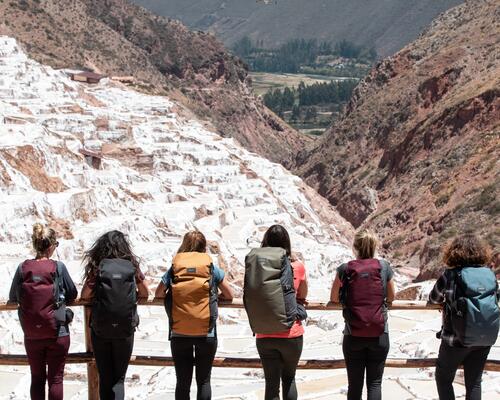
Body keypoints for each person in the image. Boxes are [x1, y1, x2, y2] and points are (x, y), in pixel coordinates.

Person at [154, 230, 233, 400]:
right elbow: (229, 294)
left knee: (182, 382)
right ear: (203, 247)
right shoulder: (211, 268)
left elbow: (159, 292)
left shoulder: (175, 268)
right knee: (204, 381)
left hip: (179, 332)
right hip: (207, 332)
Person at [8, 223, 77, 400]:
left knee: (37, 378)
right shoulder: (58, 267)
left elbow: (13, 296)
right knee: (55, 379)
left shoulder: (23, 268)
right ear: (52, 246)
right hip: (57, 333)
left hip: (32, 334)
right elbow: (72, 294)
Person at [428, 234, 499, 400]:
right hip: (483, 339)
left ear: (454, 252)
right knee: (474, 383)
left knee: (444, 379)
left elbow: (433, 299)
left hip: (455, 341)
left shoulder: (450, 275)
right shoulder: (489, 275)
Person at [81, 230, 149, 400]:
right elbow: (145, 292)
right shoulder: (131, 267)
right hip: (125, 328)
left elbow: (84, 295)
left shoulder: (99, 268)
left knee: (105, 377)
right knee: (118, 379)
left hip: (101, 329)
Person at [330, 229, 395, 400]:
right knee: (374, 384)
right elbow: (392, 296)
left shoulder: (345, 269)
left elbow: (333, 297)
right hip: (380, 334)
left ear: (355, 247)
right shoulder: (384, 267)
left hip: (353, 334)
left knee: (355, 385)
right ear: (374, 247)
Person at [252, 225, 308, 400]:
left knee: (271, 384)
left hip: (264, 333)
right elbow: (302, 295)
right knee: (289, 379)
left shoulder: (258, 266)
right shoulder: (297, 267)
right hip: (291, 333)